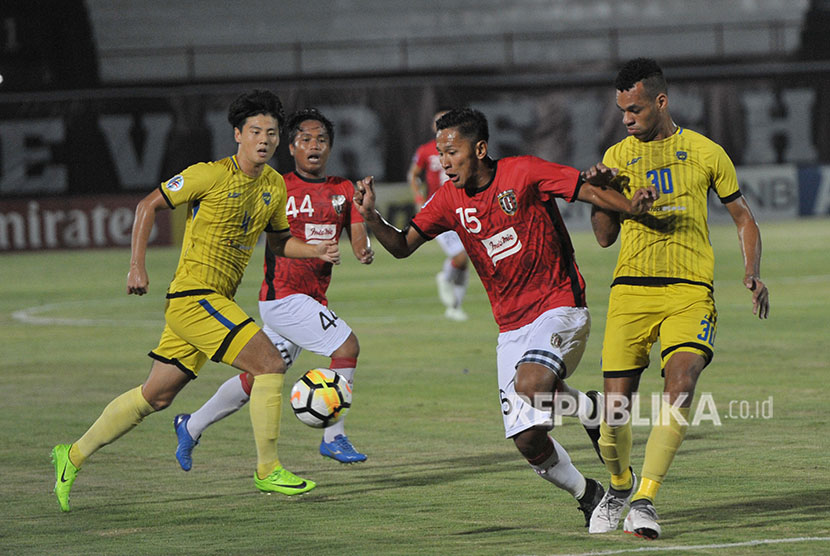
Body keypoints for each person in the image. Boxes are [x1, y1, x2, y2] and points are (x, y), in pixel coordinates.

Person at [353, 108, 657, 527]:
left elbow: (585, 190)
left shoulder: (525, 172)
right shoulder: (447, 199)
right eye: (440, 153)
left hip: (560, 305)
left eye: (452, 152)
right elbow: (403, 246)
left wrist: (629, 206)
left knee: (531, 385)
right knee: (528, 439)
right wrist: (371, 217)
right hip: (511, 326)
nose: (443, 162)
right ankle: (588, 490)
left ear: (479, 149)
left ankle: (588, 410)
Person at [51, 90, 341, 512]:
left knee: (156, 396)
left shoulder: (274, 185)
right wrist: (137, 265)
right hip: (193, 297)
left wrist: (313, 250)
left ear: (279, 140)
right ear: (238, 134)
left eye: (272, 133)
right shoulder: (208, 174)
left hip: (211, 302)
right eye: (255, 131)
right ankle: (267, 469)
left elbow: (278, 243)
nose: (264, 139)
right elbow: (148, 205)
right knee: (270, 364)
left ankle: (71, 456)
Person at [587, 58, 770, 539]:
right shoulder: (616, 156)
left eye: (636, 109)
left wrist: (752, 274)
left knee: (682, 380)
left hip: (690, 292)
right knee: (615, 415)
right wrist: (603, 192)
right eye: (622, 110)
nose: (627, 118)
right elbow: (604, 238)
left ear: (661, 102)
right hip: (630, 292)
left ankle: (645, 499)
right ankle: (620, 484)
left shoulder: (706, 152)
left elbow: (743, 218)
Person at [173, 108, 373, 470]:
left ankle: (192, 424)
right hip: (282, 297)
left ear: (331, 147)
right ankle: (333, 436)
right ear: (292, 146)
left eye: (322, 140)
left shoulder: (343, 191)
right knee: (347, 345)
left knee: (260, 375)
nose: (315, 146)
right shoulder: (277, 186)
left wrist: (366, 217)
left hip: (310, 299)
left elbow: (361, 250)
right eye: (306, 139)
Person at [407, 110, 470, 321]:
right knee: (461, 255)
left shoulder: (463, 148)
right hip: (439, 210)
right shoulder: (425, 151)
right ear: (434, 127)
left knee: (467, 257)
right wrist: (418, 199)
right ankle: (445, 277)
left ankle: (455, 307)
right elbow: (413, 175)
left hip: (461, 205)